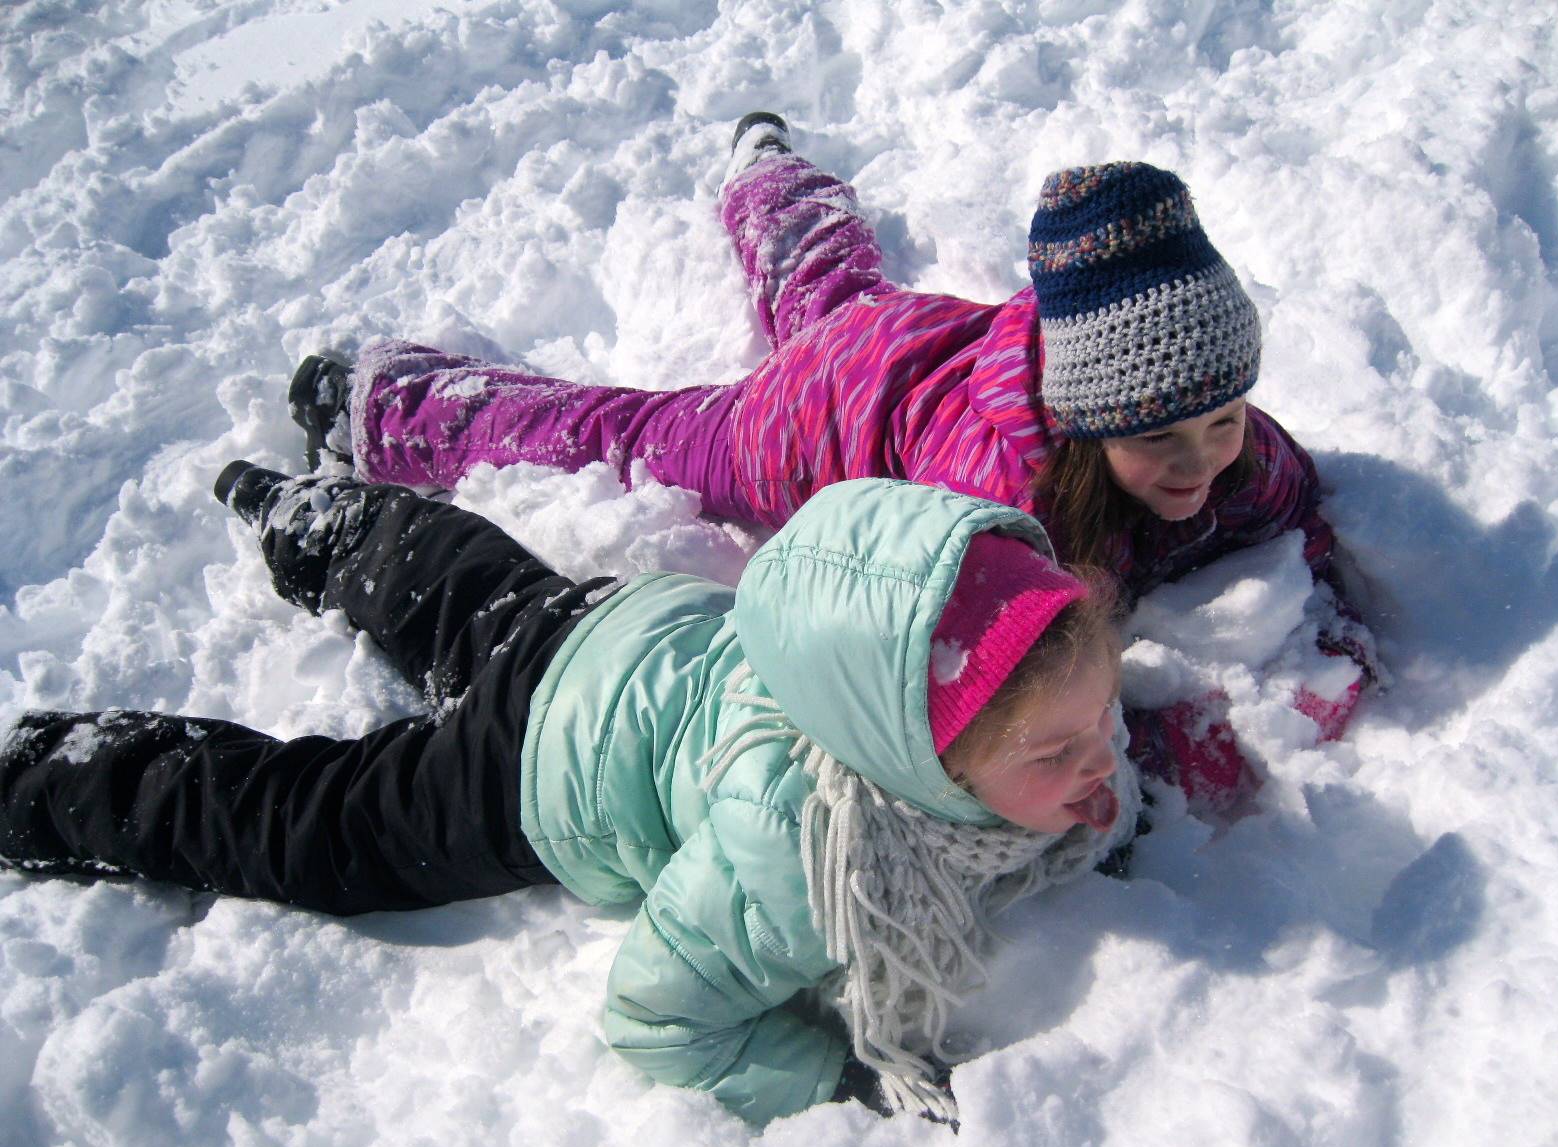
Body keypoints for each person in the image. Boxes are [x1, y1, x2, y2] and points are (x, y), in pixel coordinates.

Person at [0, 466, 1141, 1127]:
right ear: (913, 765)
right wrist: (829, 1078)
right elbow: (656, 1019)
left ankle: (318, 516)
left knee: (462, 588)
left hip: (622, 628)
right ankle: (47, 778)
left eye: (1102, 718)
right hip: (534, 771)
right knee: (314, 826)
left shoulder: (1021, 707)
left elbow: (1067, 732)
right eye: (1056, 755)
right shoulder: (799, 861)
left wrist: (1068, 783)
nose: (1099, 761)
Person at [287, 115, 1378, 805]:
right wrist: (1168, 746)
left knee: (829, 288)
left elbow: (1296, 510)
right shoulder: (1003, 509)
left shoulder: (1223, 440)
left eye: (1222, 421)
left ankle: (770, 174)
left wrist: (1328, 622)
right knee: (626, 435)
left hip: (911, 337)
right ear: (1087, 423)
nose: (1201, 464)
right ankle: (388, 403)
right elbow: (987, 713)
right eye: (1158, 441)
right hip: (817, 424)